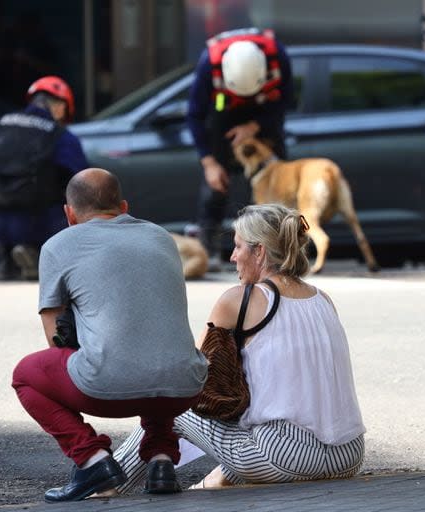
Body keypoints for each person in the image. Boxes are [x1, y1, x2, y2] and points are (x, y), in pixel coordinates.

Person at [112, 203, 365, 491]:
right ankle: (214, 482)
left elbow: (189, 374)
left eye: (238, 247)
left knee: (173, 406)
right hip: (348, 454)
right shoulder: (323, 299)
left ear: (260, 252)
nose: (232, 257)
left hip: (286, 454)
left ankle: (108, 483)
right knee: (253, 429)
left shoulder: (239, 299)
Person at [11, 167, 207, 502]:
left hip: (105, 392)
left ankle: (93, 459)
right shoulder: (160, 237)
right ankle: (161, 460)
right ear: (125, 208)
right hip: (186, 387)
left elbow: (54, 336)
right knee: (151, 347)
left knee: (26, 375)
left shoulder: (59, 245)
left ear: (69, 214)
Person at [187, 27, 295, 270]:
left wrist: (254, 126)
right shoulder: (209, 65)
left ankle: (275, 253)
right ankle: (209, 251)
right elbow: (194, 116)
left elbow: (286, 101)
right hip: (222, 119)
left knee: (272, 187)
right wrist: (209, 163)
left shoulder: (278, 56)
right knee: (215, 189)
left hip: (265, 119)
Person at [0, 76, 88, 280]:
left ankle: (5, 256)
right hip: (37, 222)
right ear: (61, 107)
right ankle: (36, 253)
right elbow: (80, 180)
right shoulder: (61, 135)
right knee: (79, 204)